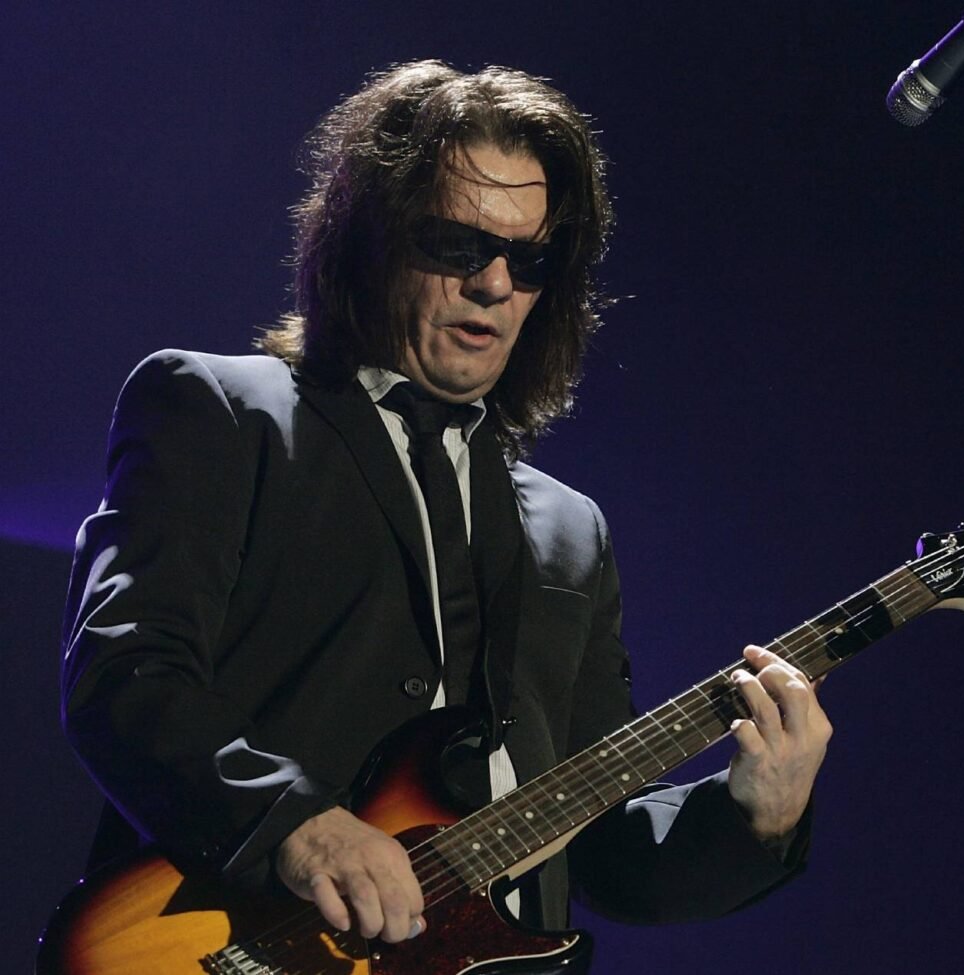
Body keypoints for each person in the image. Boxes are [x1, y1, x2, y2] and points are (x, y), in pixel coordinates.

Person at [59, 60, 830, 951]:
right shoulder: (224, 411)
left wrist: (756, 814)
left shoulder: (570, 532)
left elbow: (604, 852)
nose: (495, 284)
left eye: (530, 259)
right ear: (371, 239)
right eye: (460, 246)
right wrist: (296, 826)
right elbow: (128, 677)